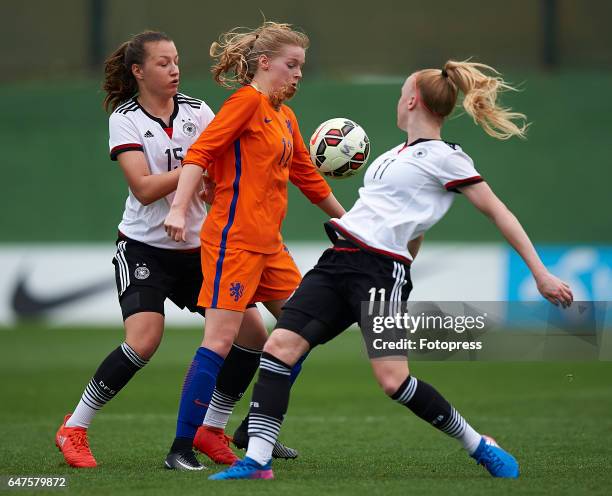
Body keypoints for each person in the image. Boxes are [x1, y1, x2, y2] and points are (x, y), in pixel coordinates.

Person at [209, 60, 575, 480]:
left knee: (393, 381)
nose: (399, 98)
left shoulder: (448, 157)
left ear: (412, 100)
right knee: (279, 350)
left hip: (379, 274)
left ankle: (478, 443)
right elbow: (410, 225)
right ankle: (257, 461)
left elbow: (499, 212)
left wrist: (540, 272)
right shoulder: (390, 157)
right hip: (338, 262)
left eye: (403, 91)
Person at [54, 30, 274, 469]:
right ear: (138, 71)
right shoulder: (125, 118)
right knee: (145, 340)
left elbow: (217, 170)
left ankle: (212, 429)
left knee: (253, 334)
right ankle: (74, 427)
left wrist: (213, 182)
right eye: (162, 63)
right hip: (144, 249)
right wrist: (198, 164)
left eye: (176, 61)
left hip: (198, 249)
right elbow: (144, 187)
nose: (174, 69)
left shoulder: (198, 110)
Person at [162, 21, 346, 470]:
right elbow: (200, 154)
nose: (298, 74)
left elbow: (307, 176)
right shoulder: (246, 103)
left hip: (270, 246)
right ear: (265, 64)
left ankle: (247, 429)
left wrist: (353, 226)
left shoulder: (284, 115)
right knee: (220, 340)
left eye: (301, 66)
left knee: (302, 332)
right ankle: (181, 447)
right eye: (291, 65)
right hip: (234, 242)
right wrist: (179, 208)